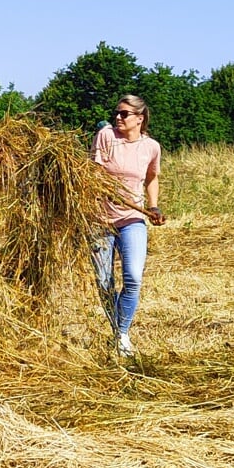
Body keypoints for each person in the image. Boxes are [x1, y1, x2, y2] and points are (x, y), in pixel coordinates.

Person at [91, 94, 165, 357]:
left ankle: (122, 333)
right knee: (103, 281)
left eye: (124, 114)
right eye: (117, 113)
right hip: (99, 220)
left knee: (132, 277)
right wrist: (104, 188)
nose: (118, 117)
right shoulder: (106, 136)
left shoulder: (151, 147)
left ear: (139, 119)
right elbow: (93, 174)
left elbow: (152, 177)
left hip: (132, 219)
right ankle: (116, 329)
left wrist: (153, 206)